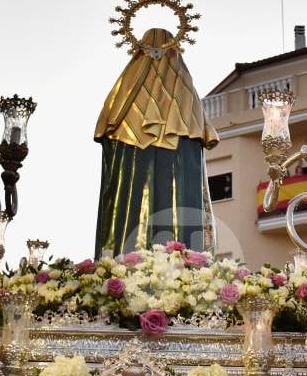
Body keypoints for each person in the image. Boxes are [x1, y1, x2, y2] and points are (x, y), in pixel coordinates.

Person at [93, 28, 218, 256]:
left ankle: (128, 255)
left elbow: (107, 134)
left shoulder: (123, 101)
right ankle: (178, 254)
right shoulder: (186, 96)